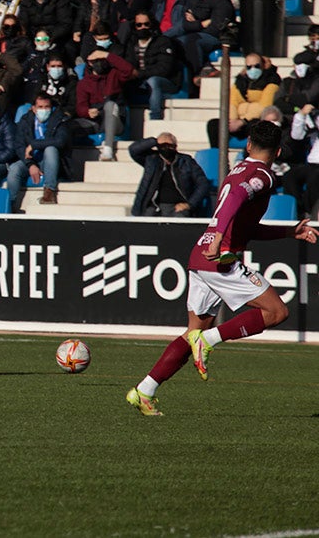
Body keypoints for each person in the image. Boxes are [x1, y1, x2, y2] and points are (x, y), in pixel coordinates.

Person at [126, 121, 318, 416]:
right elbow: (237, 199)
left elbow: (246, 225)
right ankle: (210, 340)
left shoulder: (238, 168)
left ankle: (144, 390)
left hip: (201, 256)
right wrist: (218, 240)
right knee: (276, 312)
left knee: (192, 333)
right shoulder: (263, 176)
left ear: (249, 145)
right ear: (278, 152)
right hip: (221, 259)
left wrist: (288, 233)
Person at [7, 92, 71, 208]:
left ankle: (49, 191)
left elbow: (60, 141)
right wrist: (30, 165)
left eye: (47, 107)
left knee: (50, 149)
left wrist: (34, 145)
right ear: (34, 108)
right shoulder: (25, 120)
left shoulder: (60, 119)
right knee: (14, 168)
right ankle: (10, 204)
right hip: (32, 160)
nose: (44, 110)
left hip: (53, 163)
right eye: (40, 107)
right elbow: (19, 145)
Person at [129, 133, 210, 217]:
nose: (166, 148)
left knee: (180, 220)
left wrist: (190, 204)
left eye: (170, 145)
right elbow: (133, 150)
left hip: (178, 207)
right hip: (153, 205)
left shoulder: (186, 161)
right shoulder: (151, 159)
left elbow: (203, 183)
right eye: (163, 145)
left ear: (175, 146)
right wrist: (154, 141)